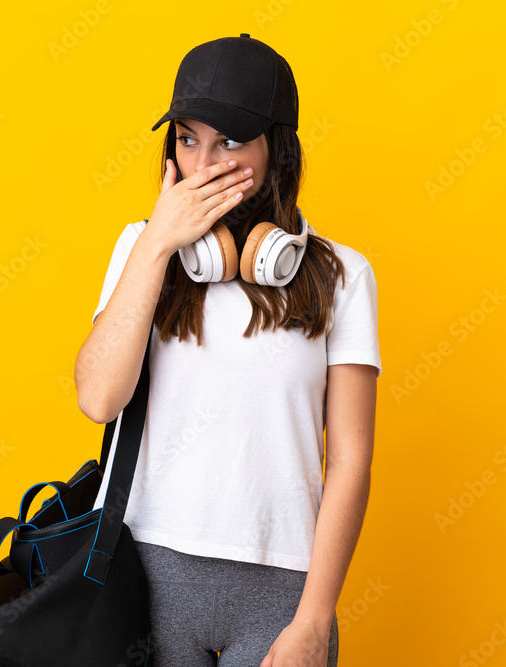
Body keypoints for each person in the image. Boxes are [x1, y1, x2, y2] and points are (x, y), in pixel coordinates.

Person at [75, 33, 380, 667]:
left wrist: (313, 620)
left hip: (282, 592)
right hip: (143, 572)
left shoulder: (344, 275)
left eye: (230, 143)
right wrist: (157, 246)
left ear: (278, 149)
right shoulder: (142, 249)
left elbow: (350, 460)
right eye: (188, 140)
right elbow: (99, 398)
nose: (204, 166)